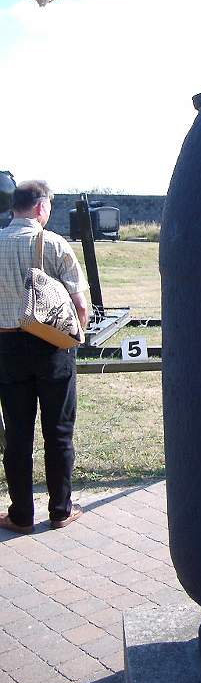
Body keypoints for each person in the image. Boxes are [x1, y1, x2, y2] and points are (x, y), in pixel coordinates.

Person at [0, 180, 89, 533]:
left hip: (6, 348)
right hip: (51, 346)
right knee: (59, 431)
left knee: (18, 435)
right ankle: (60, 509)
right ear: (40, 208)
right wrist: (74, 336)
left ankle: (21, 514)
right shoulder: (53, 244)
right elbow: (80, 304)